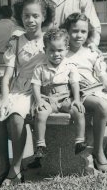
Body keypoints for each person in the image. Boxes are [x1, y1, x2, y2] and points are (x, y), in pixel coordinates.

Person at [64, 13, 107, 172]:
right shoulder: (62, 53)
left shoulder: (91, 53)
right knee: (101, 106)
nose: (79, 35)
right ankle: (98, 153)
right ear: (67, 31)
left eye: (83, 32)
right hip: (76, 93)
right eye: (74, 31)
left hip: (96, 90)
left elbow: (104, 79)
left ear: (88, 33)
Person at [0, 0, 46, 186]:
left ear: (43, 17)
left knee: (16, 115)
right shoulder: (17, 40)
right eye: (26, 16)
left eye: (35, 16)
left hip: (38, 90)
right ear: (21, 17)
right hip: (17, 89)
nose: (31, 20)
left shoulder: (49, 40)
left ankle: (16, 167)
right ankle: (3, 164)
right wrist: (4, 98)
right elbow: (7, 75)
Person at [31, 28, 87, 158]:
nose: (56, 54)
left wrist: (77, 100)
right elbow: (35, 85)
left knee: (78, 111)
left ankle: (79, 141)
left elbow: (74, 83)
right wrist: (38, 100)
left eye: (60, 50)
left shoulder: (70, 65)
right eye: (52, 50)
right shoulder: (40, 67)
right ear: (45, 50)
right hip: (47, 98)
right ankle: (40, 145)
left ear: (67, 49)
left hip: (65, 98)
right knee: (41, 114)